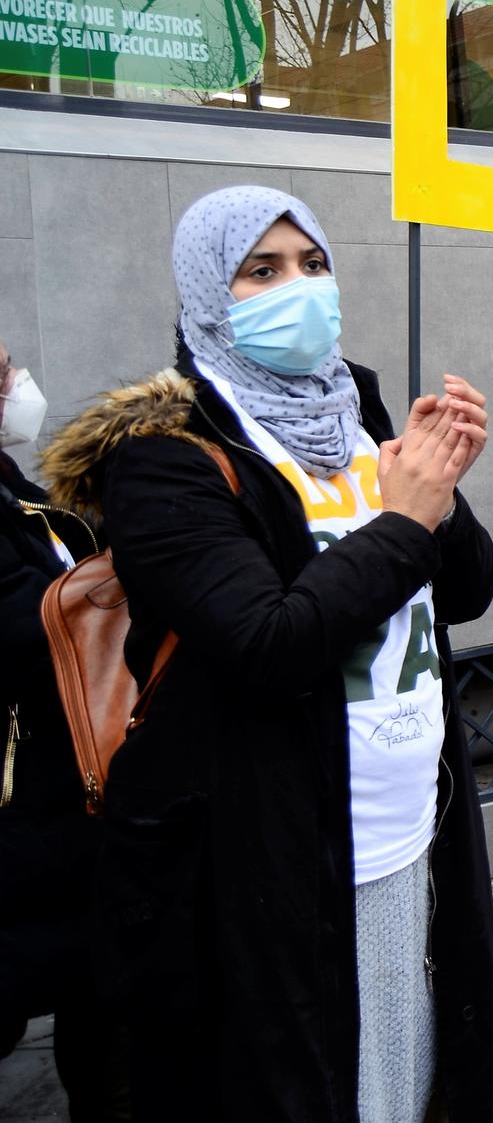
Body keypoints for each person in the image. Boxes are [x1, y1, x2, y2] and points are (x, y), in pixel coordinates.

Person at [40, 187, 493, 1120]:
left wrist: (438, 494)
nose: (300, 287)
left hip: (415, 831)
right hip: (273, 860)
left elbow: (465, 594)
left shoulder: (355, 407)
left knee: (419, 1076)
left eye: (313, 263)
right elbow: (266, 643)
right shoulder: (165, 456)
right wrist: (403, 517)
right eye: (263, 270)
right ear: (211, 295)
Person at [0, 339, 127, 1121]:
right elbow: (21, 624)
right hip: (21, 816)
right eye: (2, 373)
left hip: (67, 802)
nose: (18, 385)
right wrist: (129, 570)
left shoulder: (17, 488)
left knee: (103, 999)